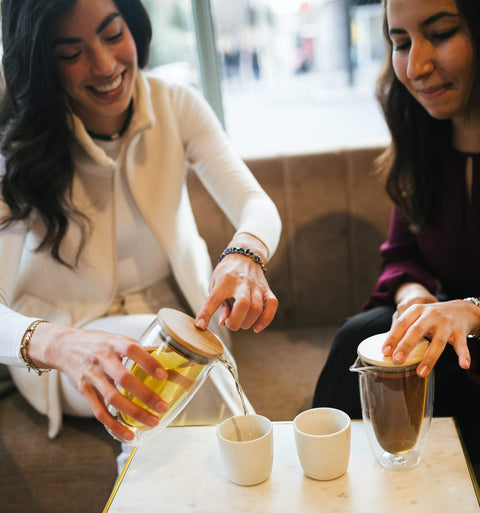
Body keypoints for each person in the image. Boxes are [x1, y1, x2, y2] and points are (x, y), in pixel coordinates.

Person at [0, 0, 281, 444]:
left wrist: (245, 254)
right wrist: (59, 344)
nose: (106, 65)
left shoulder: (176, 105)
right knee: (162, 378)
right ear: (42, 65)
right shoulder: (18, 147)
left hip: (178, 328)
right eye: (72, 54)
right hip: (70, 351)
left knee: (174, 378)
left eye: (113, 35)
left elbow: (254, 202)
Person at [313, 0, 480, 464]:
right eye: (400, 43)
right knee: (362, 336)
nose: (416, 66)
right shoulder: (422, 137)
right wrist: (415, 300)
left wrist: (471, 311)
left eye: (442, 34)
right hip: (449, 342)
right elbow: (403, 257)